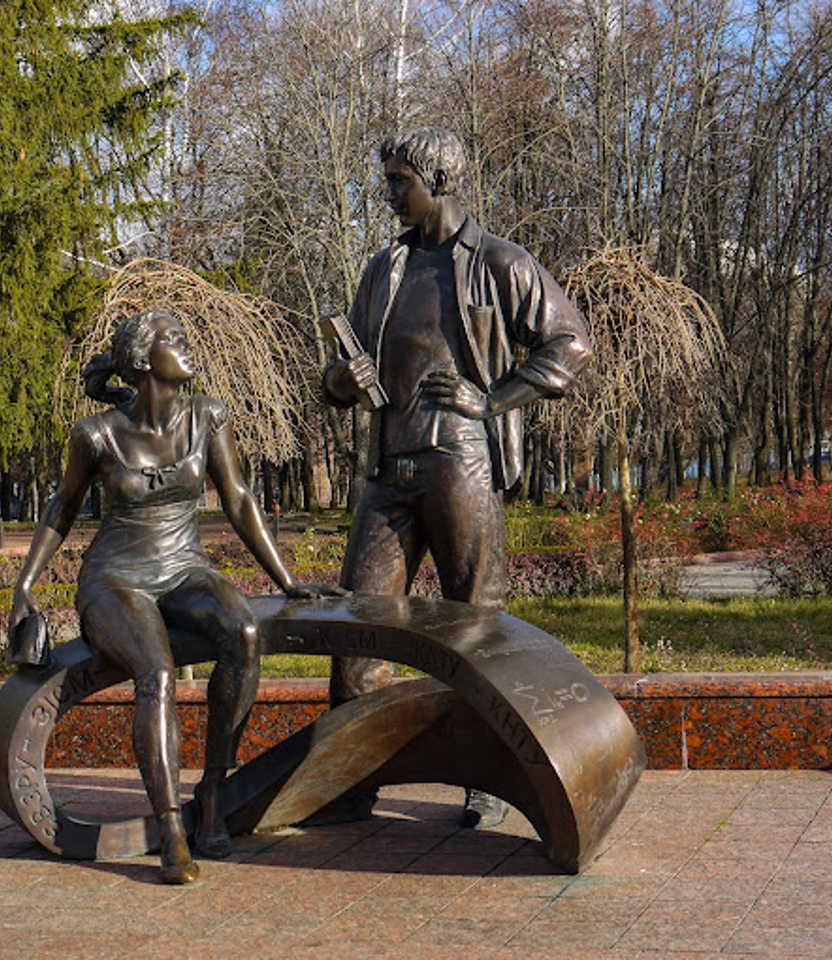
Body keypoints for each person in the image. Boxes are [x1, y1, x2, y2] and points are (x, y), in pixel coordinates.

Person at [323, 126, 593, 827]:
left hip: (460, 462)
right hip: (389, 471)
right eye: (385, 182)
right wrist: (342, 380)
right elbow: (339, 371)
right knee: (361, 626)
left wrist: (494, 397)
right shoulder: (383, 269)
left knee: (475, 625)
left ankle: (488, 779)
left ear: (438, 181)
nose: (387, 196)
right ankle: (349, 779)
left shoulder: (500, 262)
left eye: (397, 182)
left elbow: (572, 342)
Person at [8, 309, 335, 885]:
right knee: (155, 671)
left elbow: (237, 498)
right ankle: (171, 828)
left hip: (184, 568)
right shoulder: (96, 434)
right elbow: (62, 507)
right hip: (116, 577)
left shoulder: (209, 417)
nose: (187, 346)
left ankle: (212, 790)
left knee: (245, 633)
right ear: (142, 361)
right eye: (173, 340)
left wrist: (285, 580)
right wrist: (25, 585)